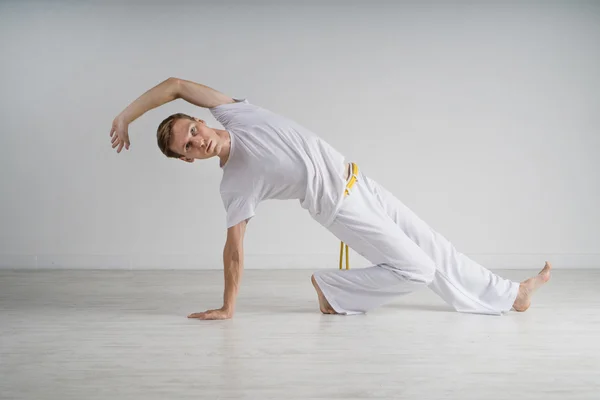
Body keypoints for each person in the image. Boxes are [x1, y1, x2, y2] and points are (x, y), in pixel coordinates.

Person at [110, 77, 551, 320]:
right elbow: (234, 250)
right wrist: (229, 307)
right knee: (418, 269)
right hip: (341, 208)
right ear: (187, 160)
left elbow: (174, 84)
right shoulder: (235, 183)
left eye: (191, 131)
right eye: (185, 148)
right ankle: (333, 288)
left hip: (360, 181)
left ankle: (512, 295)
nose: (195, 142)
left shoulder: (234, 112)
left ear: (199, 119)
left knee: (433, 246)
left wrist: (126, 115)